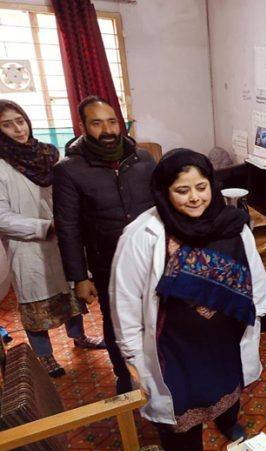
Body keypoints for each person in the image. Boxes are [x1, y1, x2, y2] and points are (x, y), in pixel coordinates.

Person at [110, 148, 266, 451]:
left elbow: (256, 277)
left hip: (224, 342)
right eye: (182, 190)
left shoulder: (233, 225)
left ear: (213, 185)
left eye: (201, 187)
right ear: (164, 192)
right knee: (182, 424)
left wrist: (258, 312)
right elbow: (124, 301)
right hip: (174, 351)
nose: (194, 198)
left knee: (228, 391)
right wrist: (132, 358)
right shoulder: (143, 235)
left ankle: (228, 423)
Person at [53, 95, 156, 394]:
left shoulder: (142, 159)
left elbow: (161, 205)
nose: (107, 130)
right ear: (83, 126)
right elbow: (68, 227)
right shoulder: (69, 169)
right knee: (116, 323)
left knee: (158, 315)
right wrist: (78, 277)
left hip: (151, 256)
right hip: (107, 262)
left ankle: (163, 370)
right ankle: (124, 377)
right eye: (97, 123)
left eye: (112, 121)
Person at [0, 99, 103, 377]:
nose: (18, 129)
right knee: (36, 307)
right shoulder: (1, 165)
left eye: (20, 121)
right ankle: (45, 356)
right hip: (28, 246)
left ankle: (79, 337)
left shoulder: (47, 154)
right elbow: (2, 216)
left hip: (63, 238)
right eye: (7, 125)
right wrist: (45, 227)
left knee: (71, 295)